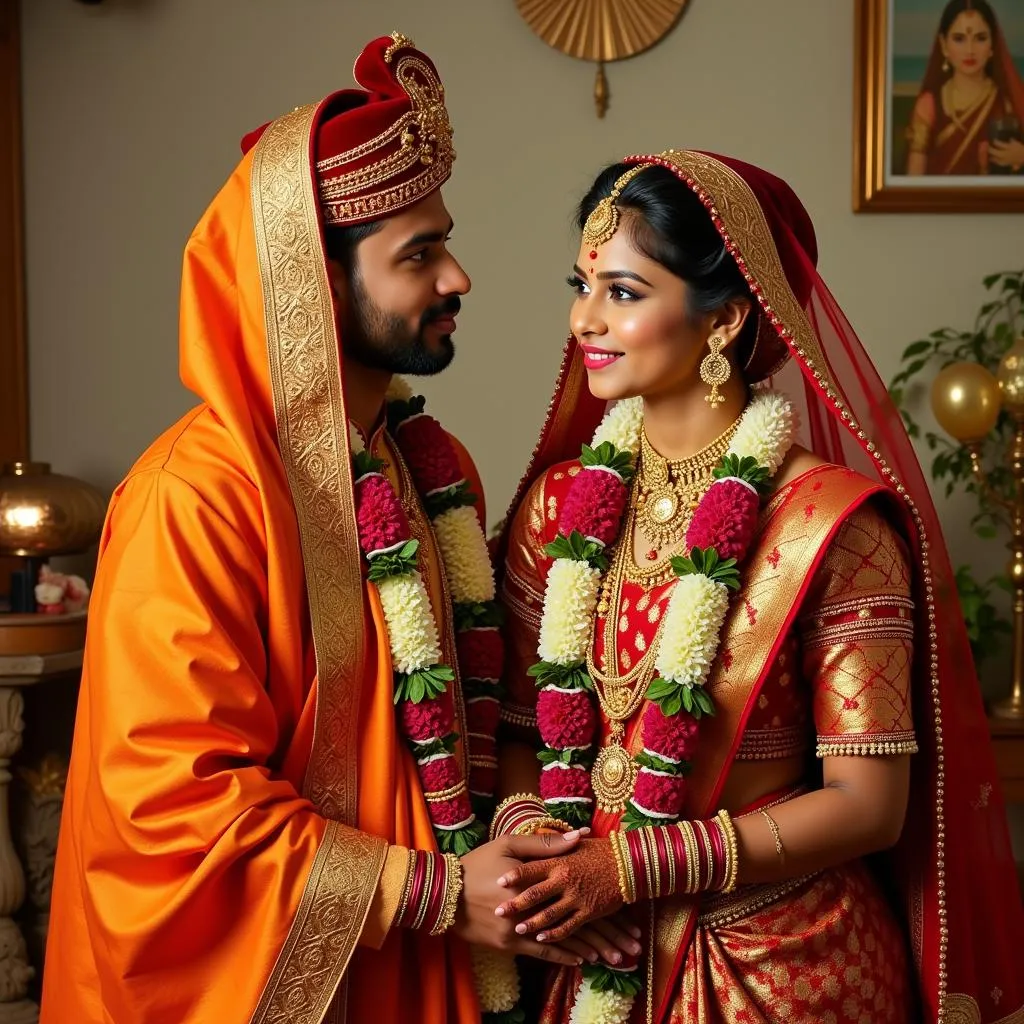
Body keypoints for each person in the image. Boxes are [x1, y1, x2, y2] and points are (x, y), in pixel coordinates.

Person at [40, 32, 626, 1024]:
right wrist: (439, 893)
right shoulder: (195, 497)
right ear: (313, 284)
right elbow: (177, 805)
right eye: (419, 254)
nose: (458, 278)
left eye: (446, 240)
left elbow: (460, 733)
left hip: (416, 968)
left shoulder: (424, 472)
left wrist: (515, 846)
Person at [491, 149, 1024, 1023]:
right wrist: (536, 845)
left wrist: (636, 867)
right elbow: (516, 727)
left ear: (726, 318)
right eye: (580, 285)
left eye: (624, 293)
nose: (584, 319)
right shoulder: (559, 508)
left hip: (780, 965)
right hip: (587, 948)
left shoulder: (830, 524)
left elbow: (869, 804)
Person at [905, 0, 1024, 175]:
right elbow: (913, 183)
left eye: (980, 38)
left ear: (993, 45)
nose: (970, 50)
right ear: (944, 45)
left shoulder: (1005, 103)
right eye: (959, 39)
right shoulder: (929, 104)